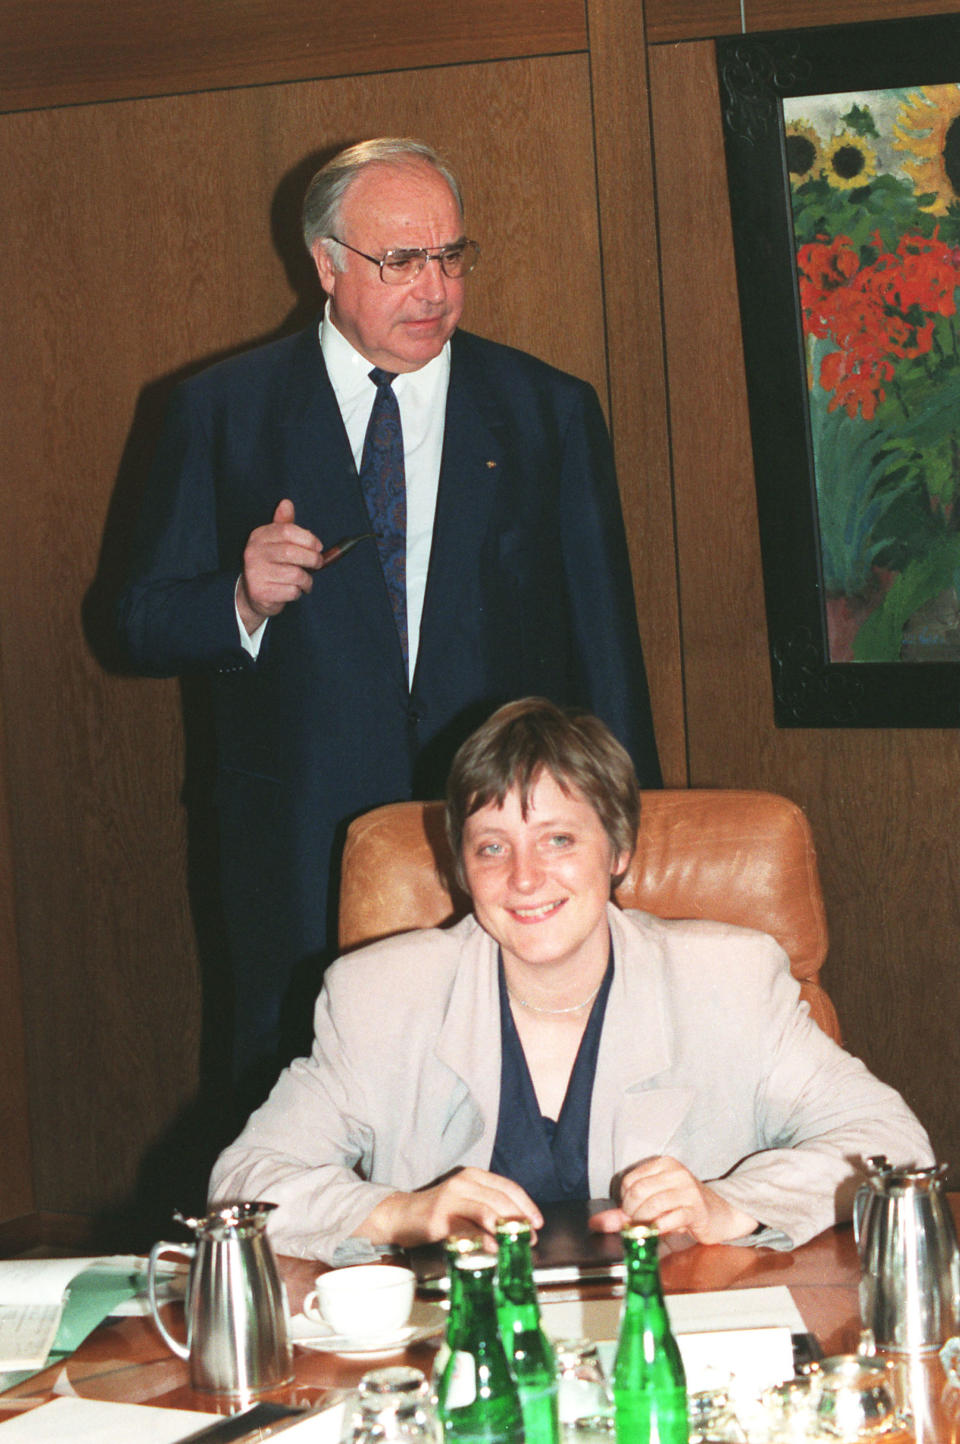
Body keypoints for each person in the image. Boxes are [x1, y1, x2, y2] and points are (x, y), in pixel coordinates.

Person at [116, 137, 660, 1104]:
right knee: (301, 1100)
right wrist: (236, 599)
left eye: (451, 257)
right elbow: (133, 621)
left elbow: (604, 644)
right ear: (325, 265)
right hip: (296, 839)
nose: (435, 289)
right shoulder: (219, 411)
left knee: (506, 1094)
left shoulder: (548, 411)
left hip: (509, 841)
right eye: (400, 261)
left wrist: (631, 838)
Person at [209, 697, 932, 1262]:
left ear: (617, 849)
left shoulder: (728, 981)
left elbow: (892, 1144)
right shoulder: (380, 997)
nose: (524, 879)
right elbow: (243, 1184)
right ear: (461, 869)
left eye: (558, 839)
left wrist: (727, 1204)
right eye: (492, 847)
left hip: (675, 1345)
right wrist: (400, 1213)